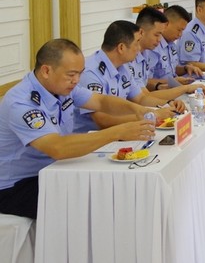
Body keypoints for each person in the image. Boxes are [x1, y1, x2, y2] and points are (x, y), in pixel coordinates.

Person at [0, 39, 155, 219]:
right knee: (96, 202)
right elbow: (58, 148)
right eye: (71, 74)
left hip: (54, 170)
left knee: (113, 182)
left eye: (80, 74)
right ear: (46, 71)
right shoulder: (21, 102)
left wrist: (137, 109)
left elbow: (101, 101)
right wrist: (117, 132)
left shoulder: (63, 87)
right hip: (17, 185)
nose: (76, 80)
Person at [74, 21, 182, 132]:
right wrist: (151, 115)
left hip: (118, 132)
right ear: (121, 48)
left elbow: (140, 98)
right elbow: (103, 120)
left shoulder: (122, 66)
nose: (139, 48)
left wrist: (168, 104)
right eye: (137, 43)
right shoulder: (90, 73)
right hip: (94, 139)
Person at [132, 7, 205, 98]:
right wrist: (177, 85)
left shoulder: (151, 49)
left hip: (164, 91)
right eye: (156, 34)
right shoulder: (145, 52)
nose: (159, 39)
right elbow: (143, 91)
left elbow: (143, 88)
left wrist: (184, 69)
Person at [146, 5, 204, 89]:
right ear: (166, 24)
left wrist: (185, 68)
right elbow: (145, 82)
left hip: (175, 88)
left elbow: (171, 69)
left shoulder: (171, 44)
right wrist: (172, 81)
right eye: (179, 30)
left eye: (182, 31)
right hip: (161, 93)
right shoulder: (152, 47)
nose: (180, 35)